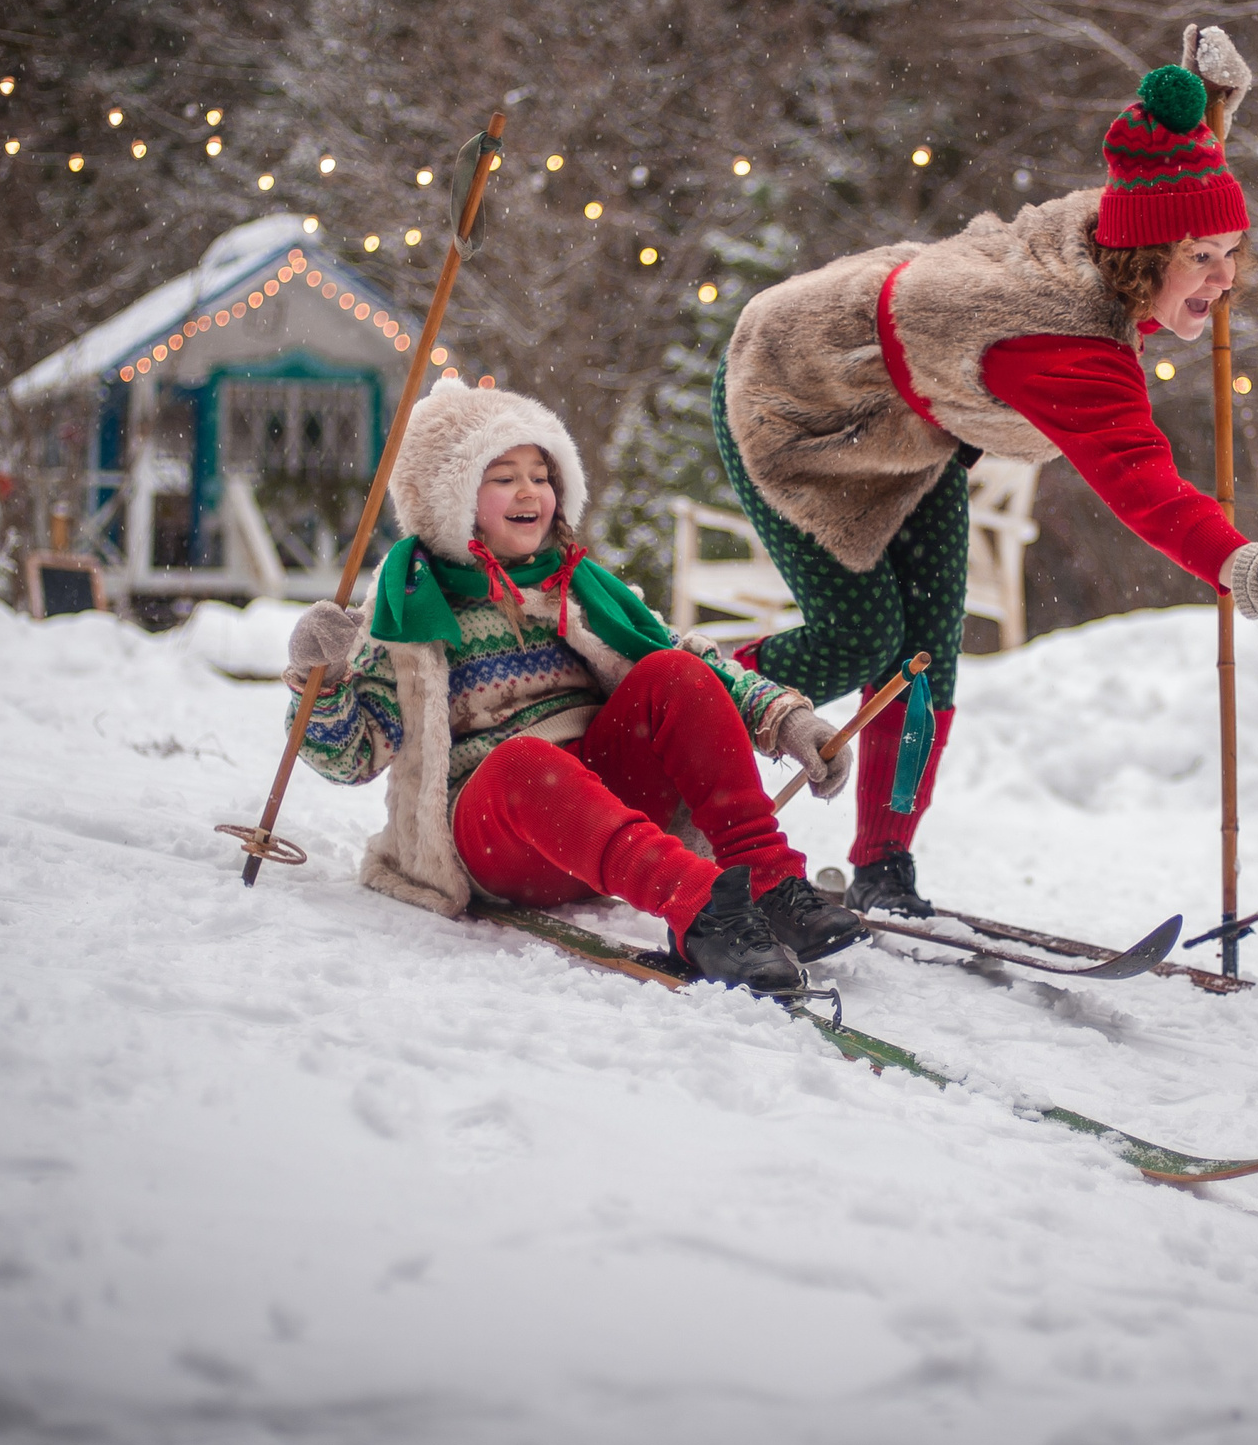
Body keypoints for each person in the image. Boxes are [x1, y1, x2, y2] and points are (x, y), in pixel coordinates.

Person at [714, 28, 1258, 918]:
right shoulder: (1059, 343)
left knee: (925, 652)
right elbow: (1145, 489)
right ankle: (693, 698)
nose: (1225, 281)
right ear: (1144, 260)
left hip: (914, 429)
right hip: (799, 402)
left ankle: (883, 864)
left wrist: (1204, 115)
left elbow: (1149, 176)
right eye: (1203, 260)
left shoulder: (1111, 235)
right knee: (862, 640)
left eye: (1232, 254)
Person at [284, 377, 859, 991]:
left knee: (674, 673)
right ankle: (701, 910)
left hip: (608, 813)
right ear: (447, 499)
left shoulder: (580, 587)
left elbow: (689, 659)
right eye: (503, 476)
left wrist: (786, 720)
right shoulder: (403, 614)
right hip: (496, 833)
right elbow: (351, 758)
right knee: (525, 762)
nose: (530, 490)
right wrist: (319, 681)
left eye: (541, 474)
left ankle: (767, 879)